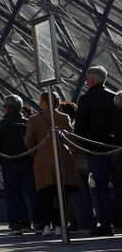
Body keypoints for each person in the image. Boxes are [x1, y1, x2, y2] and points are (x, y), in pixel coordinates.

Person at [27, 91, 78, 237]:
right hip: (63, 159)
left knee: (45, 195)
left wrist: (37, 156)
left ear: (43, 102)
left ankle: (46, 226)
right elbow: (71, 140)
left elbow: (28, 142)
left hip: (42, 162)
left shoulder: (34, 119)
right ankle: (60, 225)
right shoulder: (64, 117)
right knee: (62, 195)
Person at [76, 65, 118, 236]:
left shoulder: (85, 100)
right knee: (118, 185)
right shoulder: (114, 97)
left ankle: (106, 224)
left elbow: (79, 128)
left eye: (87, 78)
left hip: (94, 149)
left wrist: (83, 147)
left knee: (100, 187)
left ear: (92, 80)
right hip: (115, 148)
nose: (85, 81)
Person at [0, 94, 37, 234]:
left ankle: (16, 224)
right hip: (28, 163)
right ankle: (38, 222)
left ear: (8, 108)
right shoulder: (29, 123)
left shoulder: (1, 125)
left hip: (9, 164)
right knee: (32, 194)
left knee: (12, 195)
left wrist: (2, 161)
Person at [60, 101, 97, 232]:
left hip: (76, 163)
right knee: (85, 194)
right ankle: (89, 221)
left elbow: (73, 147)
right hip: (85, 163)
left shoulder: (71, 128)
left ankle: (83, 223)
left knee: (78, 195)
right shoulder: (80, 124)